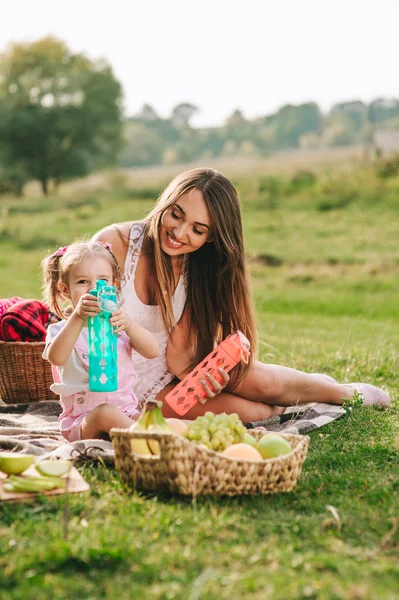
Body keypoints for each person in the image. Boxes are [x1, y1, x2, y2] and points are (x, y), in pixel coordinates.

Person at [92, 168, 390, 422]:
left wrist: (203, 379)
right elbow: (86, 324)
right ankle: (304, 391)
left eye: (197, 230)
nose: (180, 233)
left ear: (211, 237)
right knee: (255, 412)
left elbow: (180, 357)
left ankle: (341, 392)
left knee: (259, 381)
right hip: (125, 387)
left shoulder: (198, 266)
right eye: (175, 215)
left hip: (170, 371)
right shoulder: (113, 245)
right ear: (165, 203)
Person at [42, 240, 159, 441]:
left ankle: (163, 438)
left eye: (102, 281)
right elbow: (57, 358)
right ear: (65, 290)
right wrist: (78, 317)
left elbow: (152, 351)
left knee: (156, 420)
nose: (94, 289)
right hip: (85, 421)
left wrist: (129, 325)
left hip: (126, 412)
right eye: (82, 282)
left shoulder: (118, 323)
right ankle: (157, 442)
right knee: (106, 413)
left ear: (113, 286)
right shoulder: (62, 329)